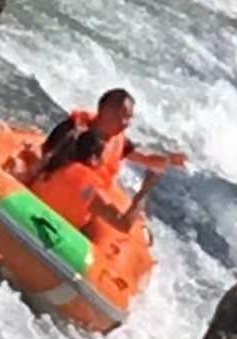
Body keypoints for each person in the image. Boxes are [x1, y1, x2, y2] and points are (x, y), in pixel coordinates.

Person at [27, 88, 187, 189]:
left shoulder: (118, 141)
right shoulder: (73, 130)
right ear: (106, 111)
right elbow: (44, 158)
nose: (126, 124)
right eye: (123, 117)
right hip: (56, 190)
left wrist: (169, 159)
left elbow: (145, 157)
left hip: (89, 198)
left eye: (129, 118)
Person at [31, 129, 159, 234]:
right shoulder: (89, 188)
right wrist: (144, 191)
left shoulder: (53, 162)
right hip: (48, 235)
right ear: (93, 159)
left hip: (28, 215)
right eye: (104, 156)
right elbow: (124, 225)